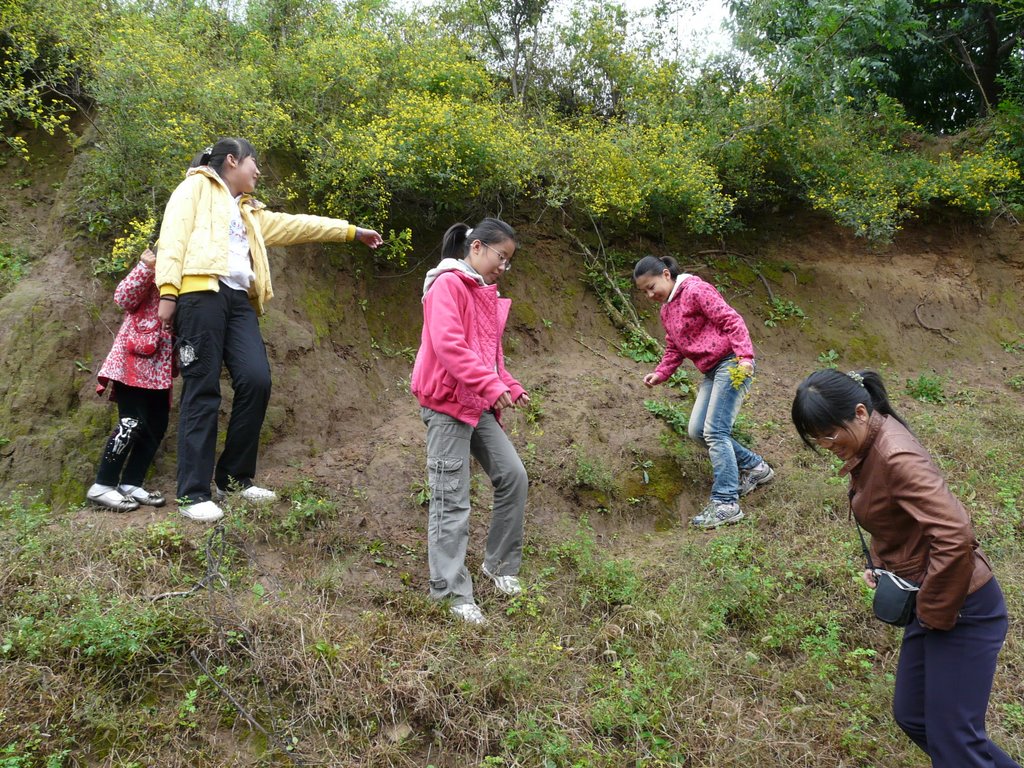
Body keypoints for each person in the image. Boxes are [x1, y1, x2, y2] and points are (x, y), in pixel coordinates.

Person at [792, 369, 1019, 768]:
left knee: (953, 739)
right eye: (817, 438)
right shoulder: (870, 444)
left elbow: (955, 535)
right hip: (931, 599)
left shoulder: (894, 455)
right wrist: (885, 566)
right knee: (914, 716)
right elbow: (899, 520)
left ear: (860, 412)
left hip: (962, 606)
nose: (826, 445)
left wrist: (933, 611)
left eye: (830, 434)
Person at [156, 138, 383, 523]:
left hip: (239, 301)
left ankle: (234, 480)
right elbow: (172, 237)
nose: (258, 171)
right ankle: (193, 493)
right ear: (232, 161)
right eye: (253, 163)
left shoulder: (250, 212)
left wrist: (351, 231)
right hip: (199, 293)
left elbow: (296, 225)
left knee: (257, 380)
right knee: (203, 388)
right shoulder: (194, 187)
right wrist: (168, 291)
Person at [410, 218, 530, 625]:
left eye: (508, 261)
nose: (503, 267)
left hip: (476, 403)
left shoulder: (481, 291)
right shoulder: (447, 284)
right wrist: (489, 384)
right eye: (502, 257)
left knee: (513, 475)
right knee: (451, 498)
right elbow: (448, 344)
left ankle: (498, 567)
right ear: (477, 247)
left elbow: (488, 353)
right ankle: (450, 593)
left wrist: (508, 384)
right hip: (447, 404)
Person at [634, 255, 774, 529]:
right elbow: (674, 348)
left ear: (665, 274)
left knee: (715, 432)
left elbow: (731, 320)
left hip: (732, 363)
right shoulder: (666, 310)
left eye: (651, 287)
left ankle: (726, 503)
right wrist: (660, 373)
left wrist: (745, 357)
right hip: (712, 371)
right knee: (697, 430)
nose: (650, 295)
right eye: (644, 292)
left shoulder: (696, 290)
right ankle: (756, 468)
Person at [87, 247, 173, 512]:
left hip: (161, 368)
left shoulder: (184, 277)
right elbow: (123, 298)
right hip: (132, 361)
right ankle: (103, 485)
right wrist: (145, 267)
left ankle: (131, 483)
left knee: (156, 426)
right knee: (130, 423)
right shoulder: (155, 268)